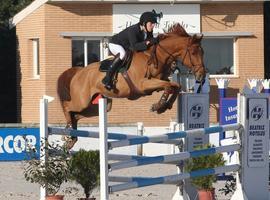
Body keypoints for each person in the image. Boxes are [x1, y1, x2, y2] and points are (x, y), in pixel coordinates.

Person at [102, 10, 161, 90]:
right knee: (122, 54)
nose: (153, 26)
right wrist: (147, 43)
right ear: (144, 23)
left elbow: (150, 40)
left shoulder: (147, 31)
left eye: (154, 24)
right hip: (115, 44)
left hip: (127, 46)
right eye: (151, 24)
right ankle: (107, 78)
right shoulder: (133, 30)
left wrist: (156, 40)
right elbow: (135, 47)